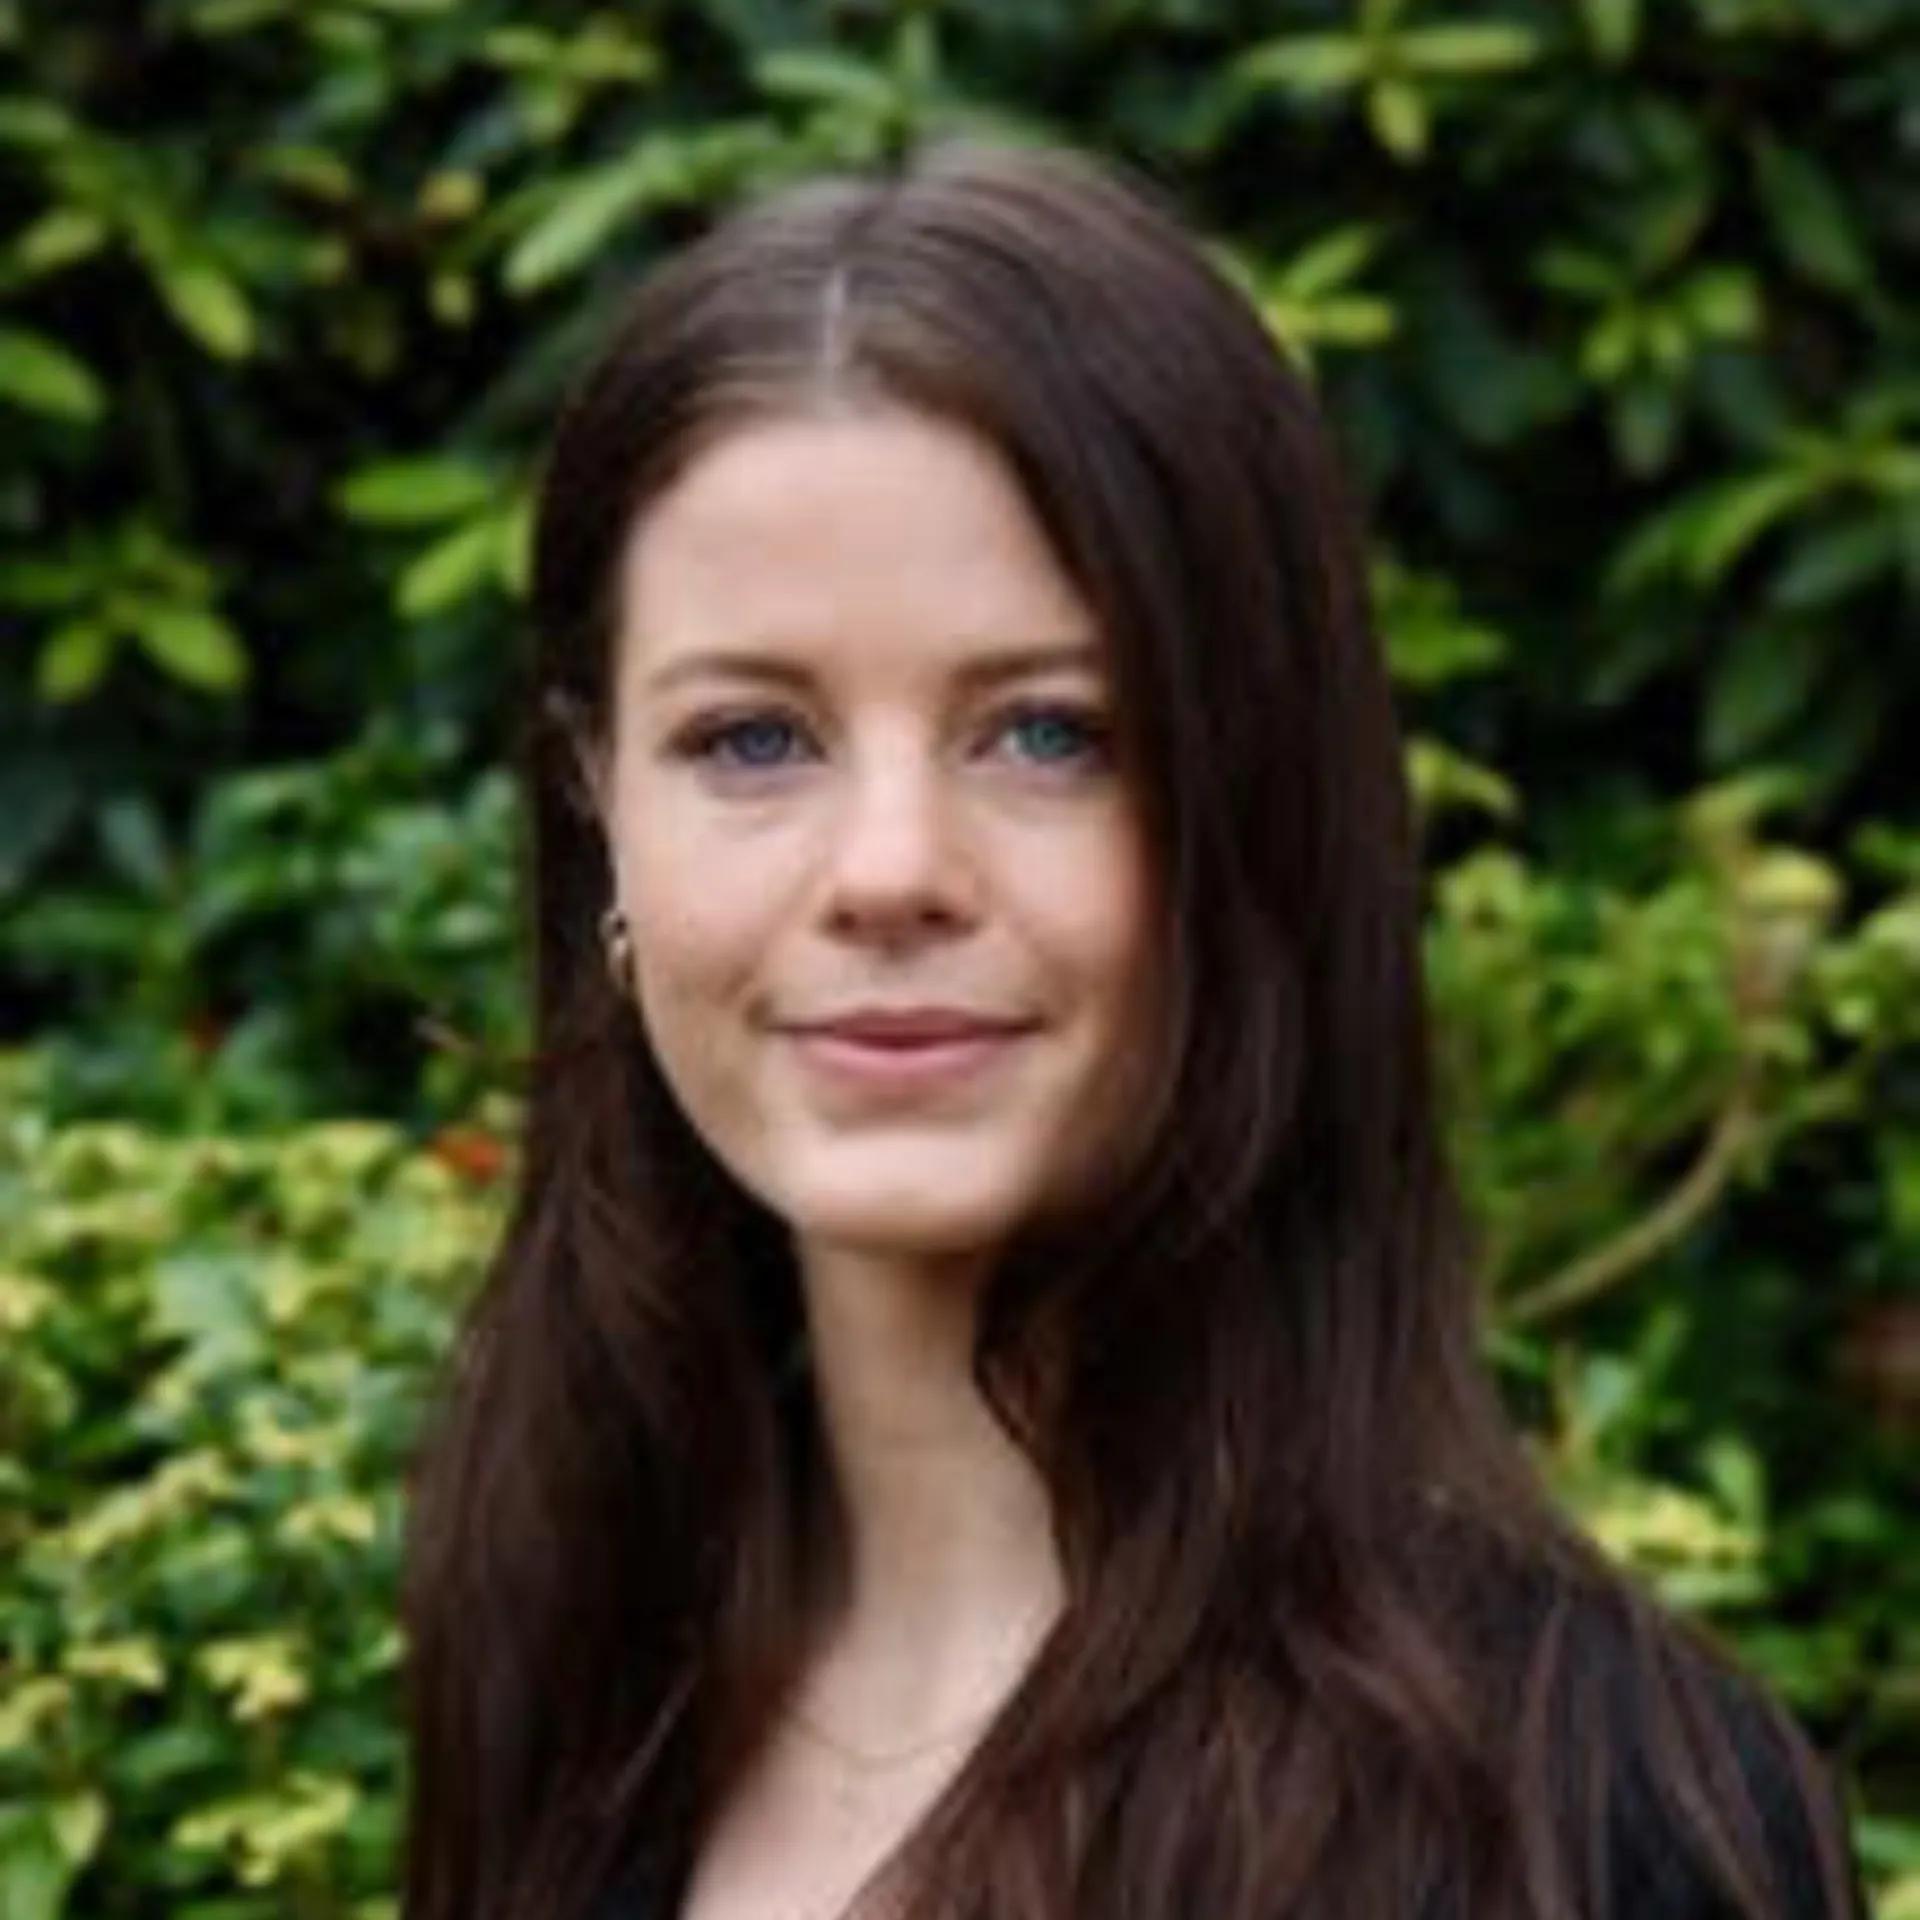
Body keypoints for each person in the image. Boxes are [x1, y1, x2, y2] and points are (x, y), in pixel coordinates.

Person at [397, 141, 1861, 1920]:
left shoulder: (1585, 1815)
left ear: (1259, 812)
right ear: (597, 810)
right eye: (751, 741)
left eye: (1046, 734)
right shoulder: (569, 1680)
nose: (887, 874)